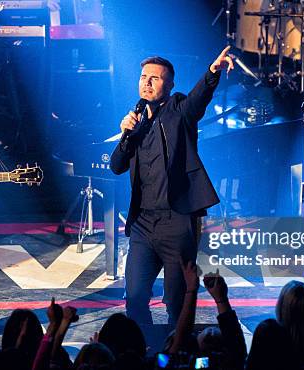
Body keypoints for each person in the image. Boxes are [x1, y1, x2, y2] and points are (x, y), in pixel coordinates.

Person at [110, 46, 233, 328]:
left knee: (176, 301)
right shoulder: (136, 120)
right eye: (143, 76)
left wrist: (212, 73)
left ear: (170, 84)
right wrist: (127, 135)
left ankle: (178, 353)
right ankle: (141, 351)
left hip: (176, 221)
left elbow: (197, 100)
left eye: (155, 77)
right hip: (142, 222)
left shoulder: (178, 110)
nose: (147, 82)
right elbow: (116, 166)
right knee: (136, 296)